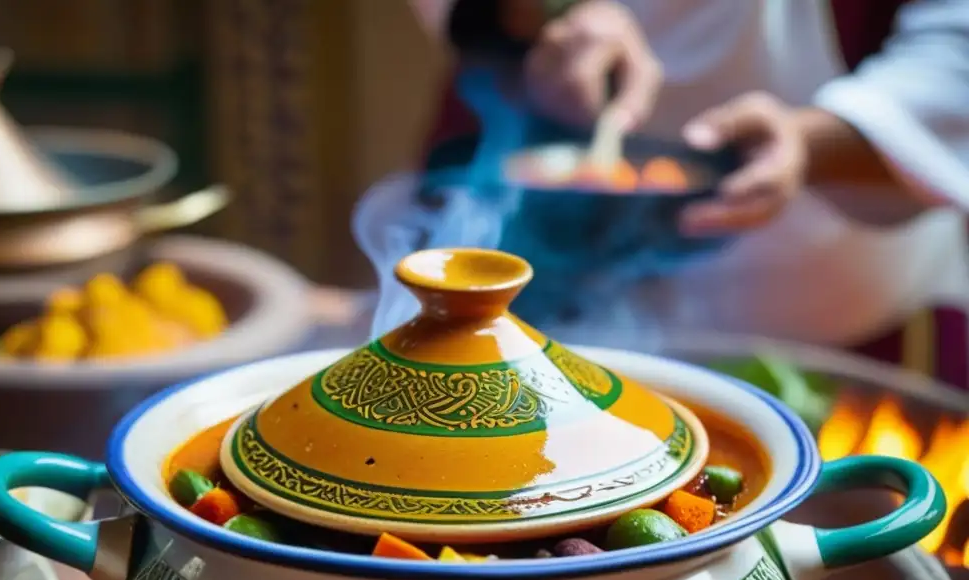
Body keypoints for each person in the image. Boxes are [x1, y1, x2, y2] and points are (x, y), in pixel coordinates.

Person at [407, 0, 969, 391]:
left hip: (825, 297)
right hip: (535, 280)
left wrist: (807, 141)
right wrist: (546, 13)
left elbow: (955, 45)